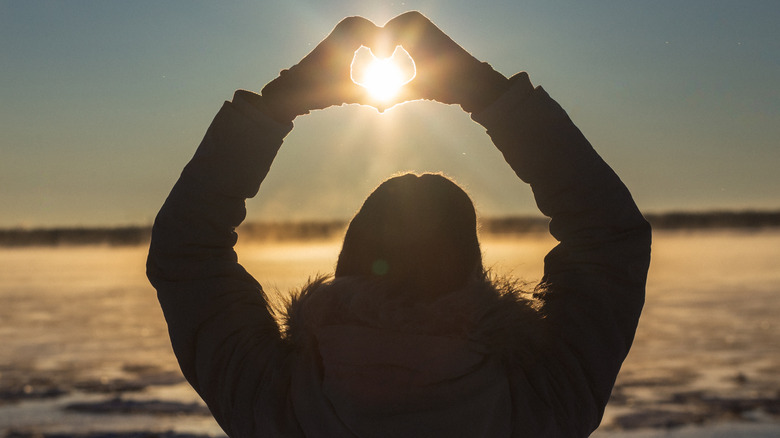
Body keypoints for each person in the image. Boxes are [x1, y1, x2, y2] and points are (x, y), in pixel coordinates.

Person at [147, 11, 651, 438]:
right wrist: (491, 96)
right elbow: (607, 238)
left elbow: (188, 254)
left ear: (346, 268)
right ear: (473, 276)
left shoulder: (278, 406)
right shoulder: (539, 408)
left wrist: (281, 103)